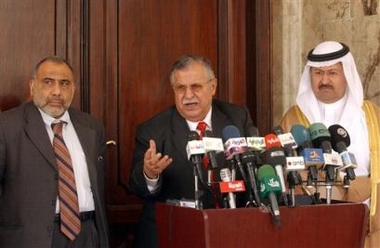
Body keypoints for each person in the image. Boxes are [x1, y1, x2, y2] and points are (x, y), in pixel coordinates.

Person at [129, 54, 256, 248]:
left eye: (195, 87)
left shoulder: (238, 118)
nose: (188, 95)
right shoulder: (153, 130)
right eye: (181, 88)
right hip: (174, 234)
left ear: (212, 87)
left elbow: (253, 165)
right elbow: (137, 187)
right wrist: (150, 173)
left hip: (230, 232)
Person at [0, 56, 109, 248]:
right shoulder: (7, 126)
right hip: (31, 238)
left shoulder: (92, 127)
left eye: (64, 84)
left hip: (87, 235)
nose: (57, 91)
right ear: (33, 87)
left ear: (73, 90)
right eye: (48, 82)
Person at [280, 41, 380, 247]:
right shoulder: (293, 118)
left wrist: (352, 190)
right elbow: (286, 172)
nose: (324, 80)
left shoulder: (372, 116)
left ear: (347, 75)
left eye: (332, 73)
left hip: (368, 228)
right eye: (317, 73)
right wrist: (349, 190)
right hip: (312, 226)